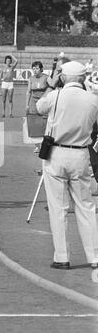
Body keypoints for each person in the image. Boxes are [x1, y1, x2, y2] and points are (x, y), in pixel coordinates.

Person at [36, 61, 98, 270]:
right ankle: (94, 256)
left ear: (64, 77)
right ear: (82, 78)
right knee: (86, 206)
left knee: (58, 207)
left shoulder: (56, 95)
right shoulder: (92, 99)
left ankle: (62, 256)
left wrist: (52, 85)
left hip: (56, 153)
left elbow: (39, 107)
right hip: (81, 154)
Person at [25, 61, 48, 153]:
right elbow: (28, 92)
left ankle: (43, 143)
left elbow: (50, 89)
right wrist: (26, 105)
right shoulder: (31, 78)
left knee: (44, 123)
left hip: (43, 102)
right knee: (34, 124)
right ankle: (37, 145)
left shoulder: (46, 78)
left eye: (37, 68)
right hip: (33, 102)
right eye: (33, 68)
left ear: (41, 69)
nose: (35, 70)